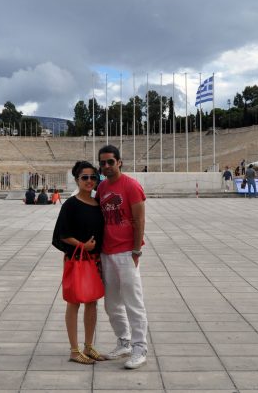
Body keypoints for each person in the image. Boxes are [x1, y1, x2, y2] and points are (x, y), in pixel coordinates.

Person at [96, 144, 149, 369]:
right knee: (112, 304)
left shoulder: (131, 185)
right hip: (107, 252)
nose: (107, 166)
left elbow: (139, 220)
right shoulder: (102, 187)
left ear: (119, 162)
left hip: (127, 252)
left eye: (111, 161)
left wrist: (136, 250)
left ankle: (140, 348)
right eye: (103, 163)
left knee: (133, 302)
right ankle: (124, 341)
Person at [52, 161, 107, 365]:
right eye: (85, 177)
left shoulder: (98, 203)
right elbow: (62, 235)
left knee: (92, 301)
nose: (89, 181)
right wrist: (83, 246)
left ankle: (88, 346)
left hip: (94, 261)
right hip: (77, 260)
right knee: (74, 301)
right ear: (77, 180)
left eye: (93, 177)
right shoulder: (71, 205)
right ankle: (74, 350)